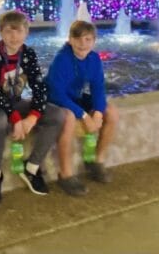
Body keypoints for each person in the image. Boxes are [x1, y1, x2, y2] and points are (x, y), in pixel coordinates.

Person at [0, 10, 65, 208]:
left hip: (12, 103)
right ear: (0, 32)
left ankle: (31, 167)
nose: (13, 37)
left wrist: (32, 117)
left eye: (18, 31)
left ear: (26, 33)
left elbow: (40, 88)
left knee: (57, 114)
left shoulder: (28, 54)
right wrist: (15, 118)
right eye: (8, 32)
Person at [46, 19, 120, 196]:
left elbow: (98, 89)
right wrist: (85, 116)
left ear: (94, 41)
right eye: (78, 38)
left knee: (112, 112)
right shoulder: (62, 59)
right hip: (53, 100)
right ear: (70, 39)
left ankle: (97, 161)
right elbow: (57, 93)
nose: (82, 43)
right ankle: (65, 174)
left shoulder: (94, 59)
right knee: (69, 118)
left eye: (88, 39)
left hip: (74, 98)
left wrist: (99, 114)